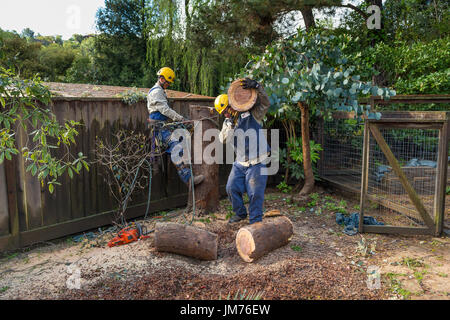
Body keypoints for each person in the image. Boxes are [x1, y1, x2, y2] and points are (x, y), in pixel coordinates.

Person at [215, 78, 271, 225]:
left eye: (227, 110)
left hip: (257, 161)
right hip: (240, 163)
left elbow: (265, 103)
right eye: (223, 113)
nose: (226, 114)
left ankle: (255, 222)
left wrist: (258, 87)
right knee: (231, 188)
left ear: (232, 104)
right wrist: (229, 124)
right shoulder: (228, 123)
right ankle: (240, 213)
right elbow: (223, 139)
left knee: (254, 194)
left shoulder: (253, 114)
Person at [147, 67, 204, 186]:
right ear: (161, 79)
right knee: (176, 147)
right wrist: (181, 119)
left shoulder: (160, 91)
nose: (168, 85)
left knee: (183, 138)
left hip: (162, 126)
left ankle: (187, 165)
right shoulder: (156, 92)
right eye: (167, 82)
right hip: (158, 128)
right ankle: (188, 179)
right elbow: (165, 110)